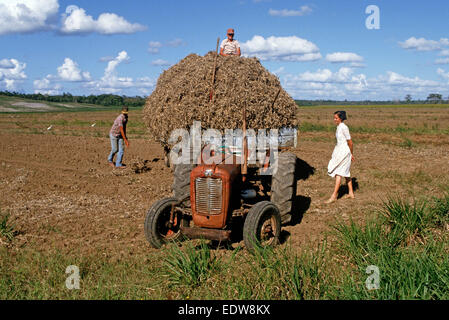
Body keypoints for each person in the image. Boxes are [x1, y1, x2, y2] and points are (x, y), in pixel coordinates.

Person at [325, 111, 355, 203]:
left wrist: (351, 153)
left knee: (339, 173)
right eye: (334, 118)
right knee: (345, 172)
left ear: (341, 118)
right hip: (339, 151)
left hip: (344, 152)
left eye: (336, 118)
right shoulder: (339, 127)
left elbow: (350, 142)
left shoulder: (344, 128)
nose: (334, 120)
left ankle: (334, 195)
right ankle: (351, 193)